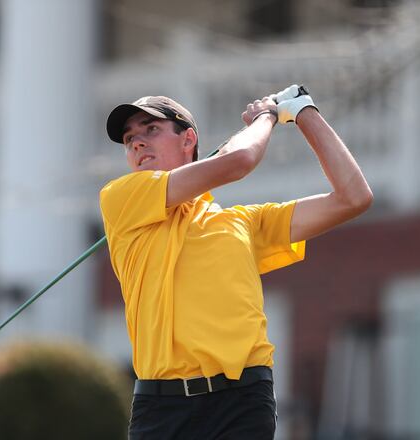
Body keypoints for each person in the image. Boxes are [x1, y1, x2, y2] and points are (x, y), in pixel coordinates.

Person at [99, 86, 372, 439]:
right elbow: (238, 161)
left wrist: (304, 111)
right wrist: (266, 117)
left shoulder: (243, 223)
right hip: (161, 408)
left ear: (189, 140)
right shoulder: (121, 198)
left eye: (151, 129)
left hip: (241, 401)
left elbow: (353, 198)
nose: (137, 143)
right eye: (129, 138)